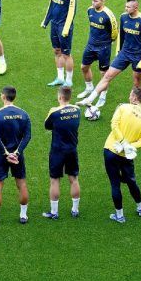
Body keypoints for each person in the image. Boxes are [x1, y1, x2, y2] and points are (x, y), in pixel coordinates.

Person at [77, 0, 141, 107]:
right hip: (124, 53)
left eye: (128, 7)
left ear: (136, 8)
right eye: (125, 6)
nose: (126, 9)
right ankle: (89, 99)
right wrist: (118, 51)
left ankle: (137, 106)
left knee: (137, 84)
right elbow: (121, 35)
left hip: (138, 56)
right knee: (107, 76)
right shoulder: (123, 17)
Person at [0, 86, 32, 227]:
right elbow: (27, 136)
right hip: (18, 155)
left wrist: (6, 153)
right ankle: (23, 215)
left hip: (1, 155)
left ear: (3, 96)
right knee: (22, 184)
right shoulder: (24, 114)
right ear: (14, 97)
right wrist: (17, 153)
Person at [103, 87, 141, 223]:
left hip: (112, 150)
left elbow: (114, 124)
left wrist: (122, 142)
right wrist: (129, 146)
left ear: (135, 98)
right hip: (126, 156)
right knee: (131, 181)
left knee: (115, 184)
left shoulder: (123, 108)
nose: (129, 97)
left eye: (130, 95)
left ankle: (120, 215)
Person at [43, 86, 81, 219]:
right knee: (74, 179)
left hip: (57, 150)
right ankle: (75, 210)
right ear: (70, 97)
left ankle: (54, 212)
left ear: (59, 97)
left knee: (54, 180)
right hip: (72, 149)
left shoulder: (54, 112)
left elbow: (47, 126)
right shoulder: (77, 110)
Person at [75, 0, 118, 108]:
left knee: (104, 73)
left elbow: (114, 32)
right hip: (91, 45)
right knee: (84, 67)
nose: (93, 3)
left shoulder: (108, 15)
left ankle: (103, 95)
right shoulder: (90, 10)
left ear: (103, 1)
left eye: (96, 1)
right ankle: (89, 88)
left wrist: (108, 42)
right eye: (92, 0)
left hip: (103, 47)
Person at [41, 0, 77, 87]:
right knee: (56, 51)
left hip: (64, 26)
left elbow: (72, 10)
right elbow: (51, 4)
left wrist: (66, 28)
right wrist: (46, 21)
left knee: (66, 54)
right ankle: (60, 78)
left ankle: (69, 80)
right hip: (54, 25)